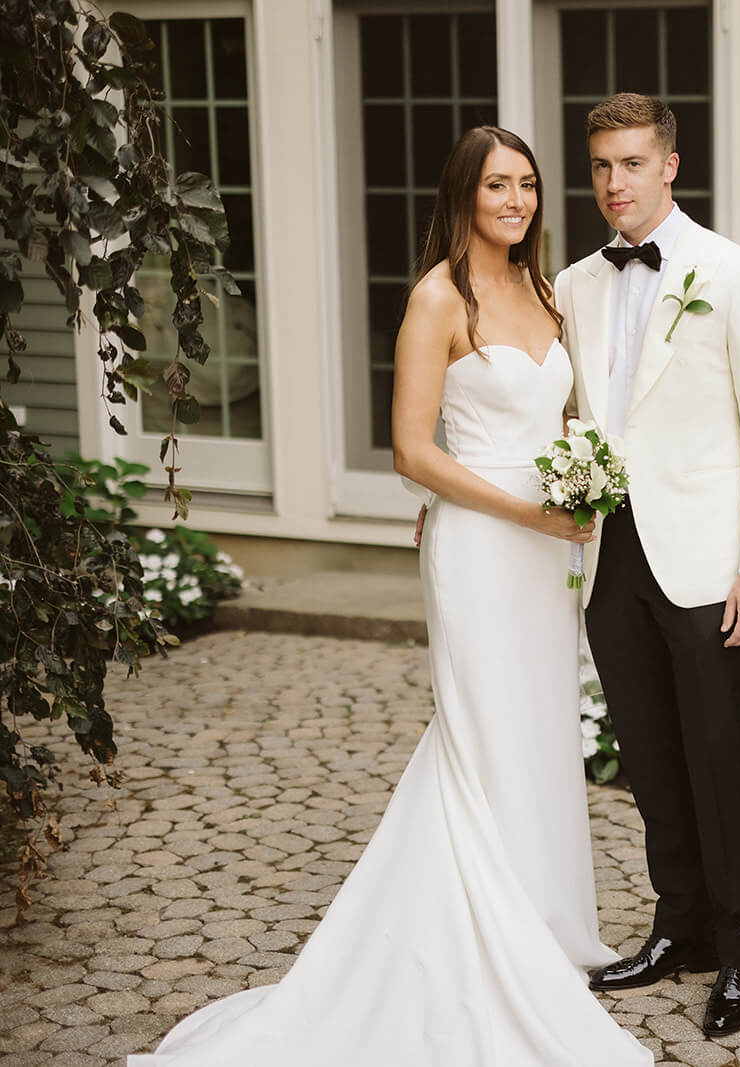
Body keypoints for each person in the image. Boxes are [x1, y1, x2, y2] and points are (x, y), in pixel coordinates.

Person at [129, 127, 652, 1066]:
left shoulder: (544, 290)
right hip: (483, 546)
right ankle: (480, 945)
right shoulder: (436, 297)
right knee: (483, 731)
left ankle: (544, 926)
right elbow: (413, 450)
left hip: (549, 553)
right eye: (497, 185)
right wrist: (525, 512)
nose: (517, 201)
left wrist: (579, 485)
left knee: (540, 727)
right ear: (463, 195)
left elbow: (563, 415)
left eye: (528, 185)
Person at [558, 93, 740, 1039]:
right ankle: (679, 926)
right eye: (601, 166)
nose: (614, 183)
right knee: (651, 758)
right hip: (610, 551)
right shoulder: (575, 283)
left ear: (669, 164)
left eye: (632, 163)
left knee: (717, 757)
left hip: (706, 560)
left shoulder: (736, 273)